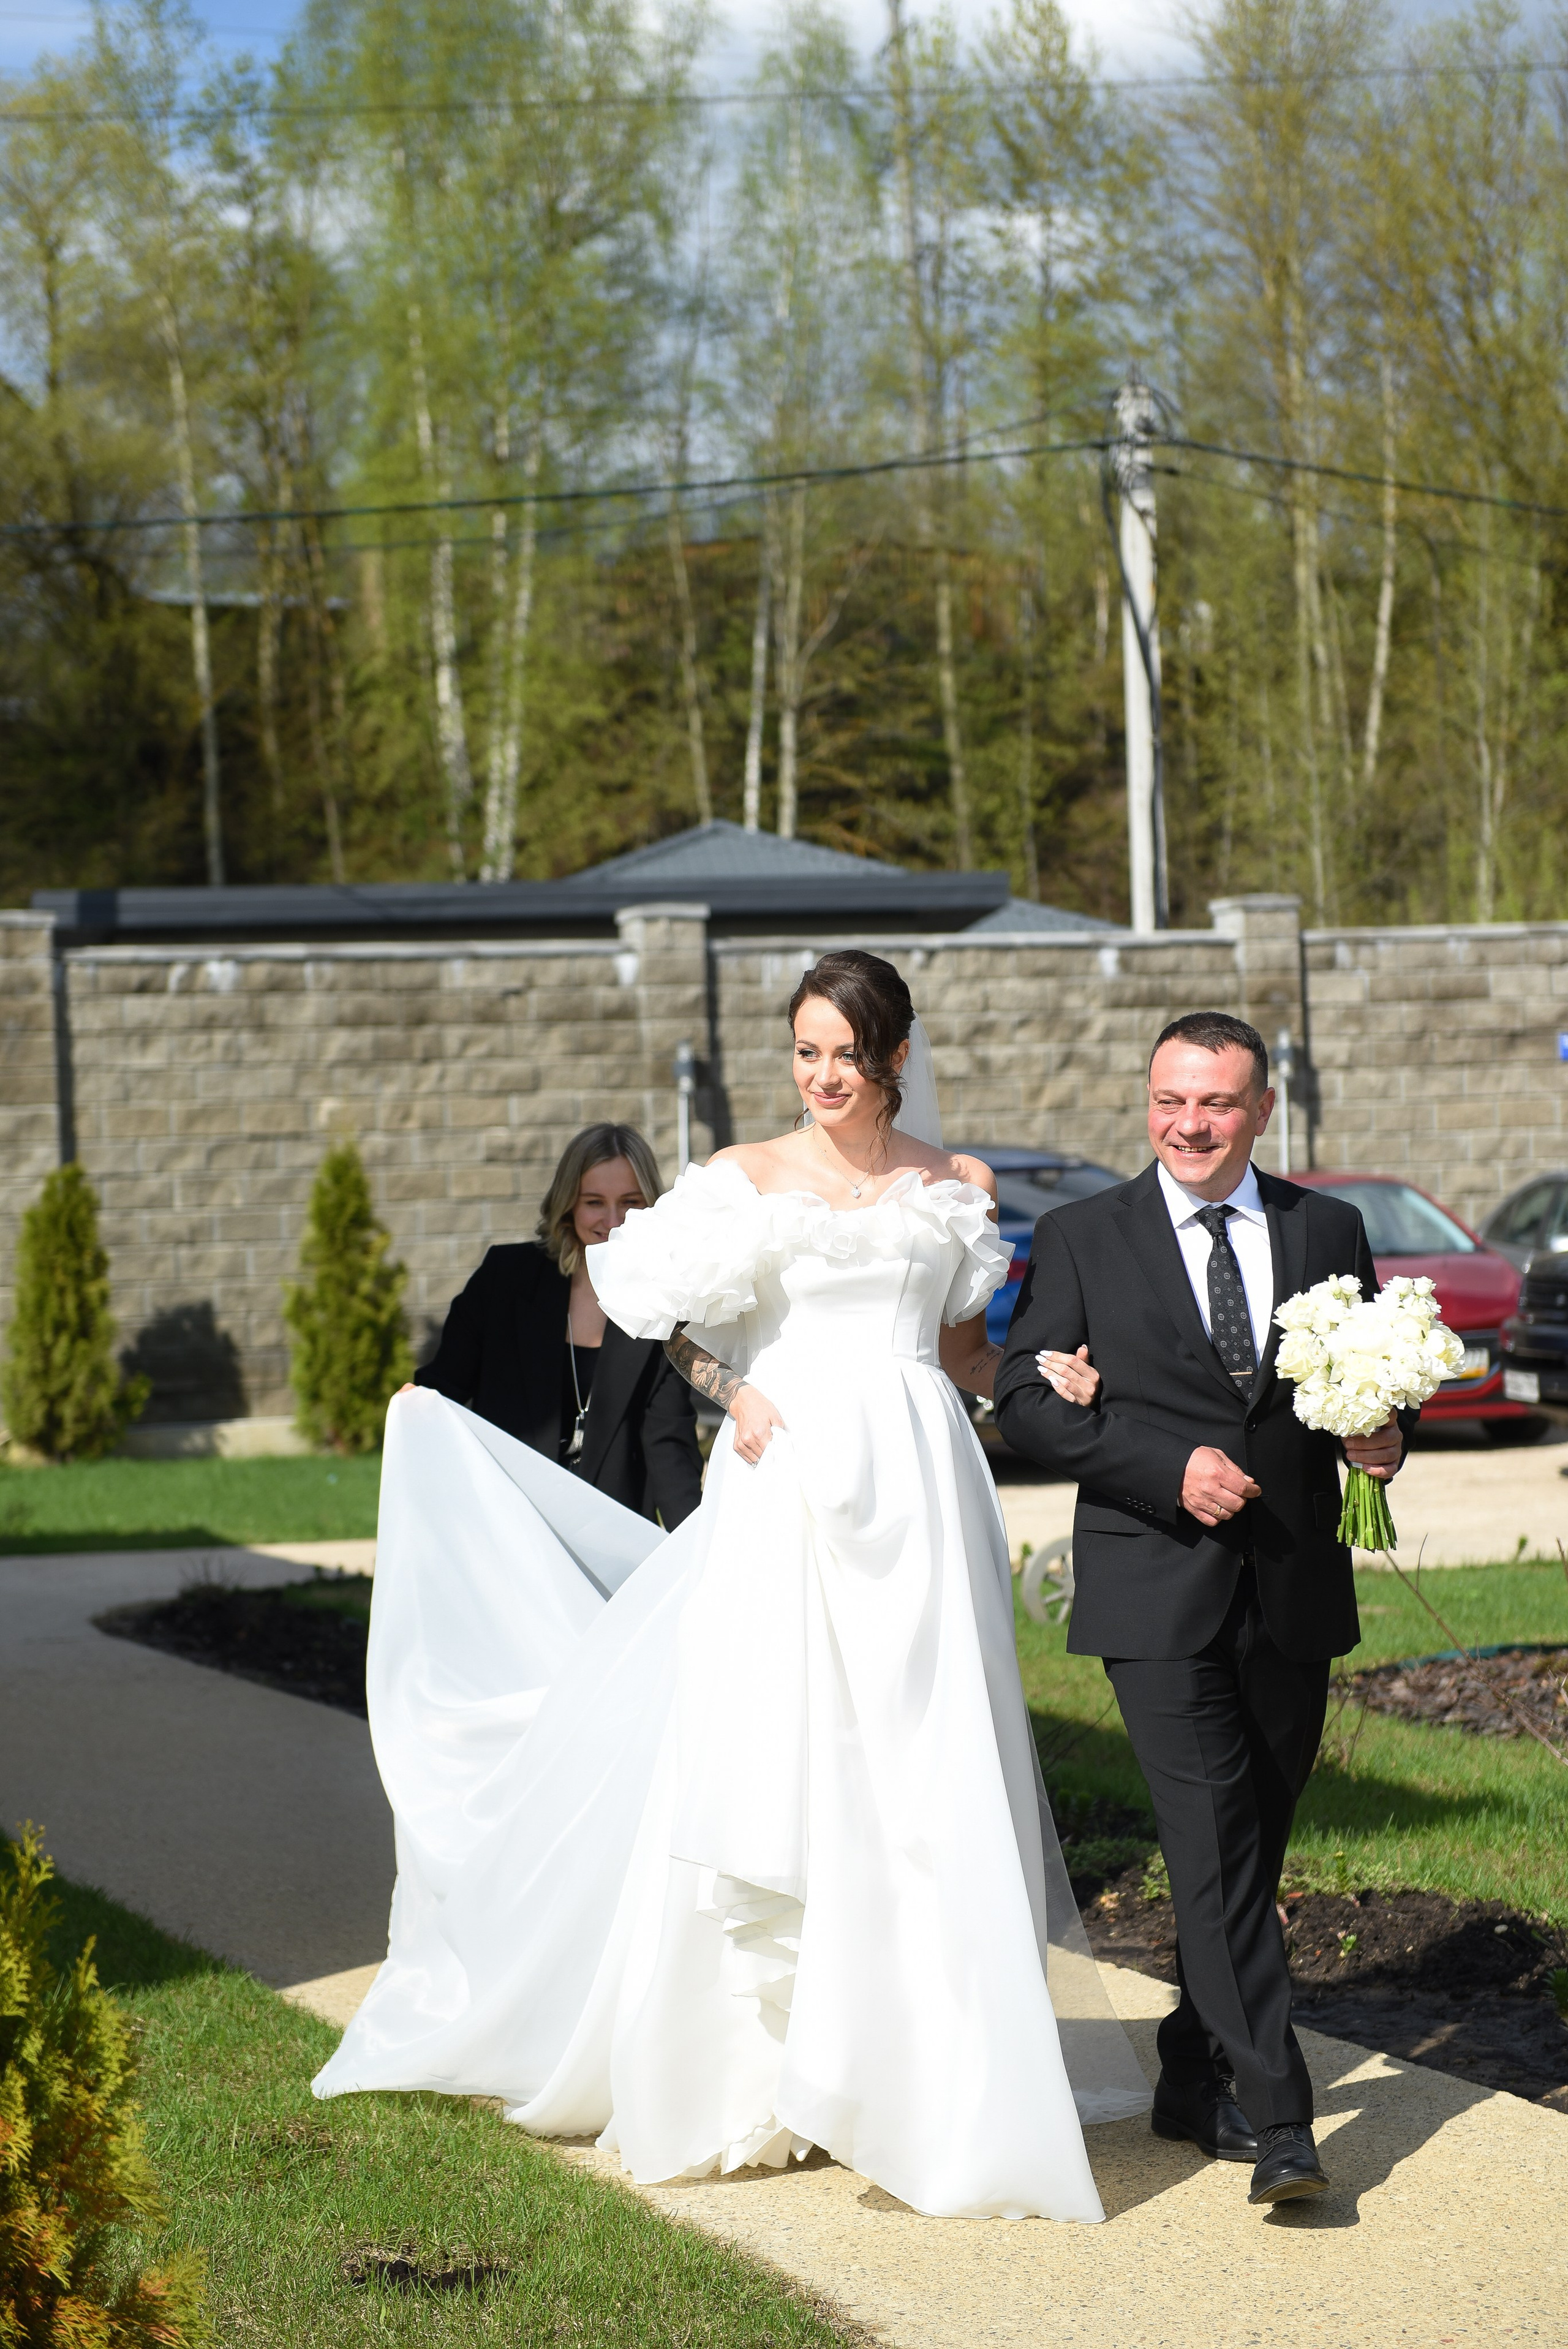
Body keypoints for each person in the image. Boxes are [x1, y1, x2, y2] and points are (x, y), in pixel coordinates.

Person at [314, 949, 1152, 2220]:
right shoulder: (738, 1182)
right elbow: (658, 1316)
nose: (824, 1076)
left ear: (896, 1056)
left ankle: (921, 2071)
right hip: (790, 1485)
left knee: (919, 1769)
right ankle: (765, 2073)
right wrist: (735, 1390)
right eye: (806, 1051)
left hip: (923, 1495)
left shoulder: (954, 1188)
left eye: (847, 1054)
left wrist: (1045, 1382)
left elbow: (966, 1349)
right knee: (782, 1761)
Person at [995, 1010, 1404, 2209]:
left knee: (1241, 1855)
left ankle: (1185, 2072)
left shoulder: (1325, 1227)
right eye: (1170, 1100)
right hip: (1150, 1592)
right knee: (1216, 1847)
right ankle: (1280, 2121)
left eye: (1215, 1103)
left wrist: (1385, 1436)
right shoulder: (1081, 1235)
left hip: (1289, 1589)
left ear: (1258, 1109)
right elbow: (1024, 1399)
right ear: (1145, 1102)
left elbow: (1367, 1377)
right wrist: (1151, 1464)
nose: (1189, 1123)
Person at [414, 1122, 703, 1528]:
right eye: (594, 1202)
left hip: (611, 1532)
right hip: (509, 1520)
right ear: (568, 1203)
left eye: (630, 1202)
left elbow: (668, 1441)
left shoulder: (666, 1303)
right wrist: (412, 1409)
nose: (614, 1220)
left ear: (652, 1206)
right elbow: (442, 1388)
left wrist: (694, 1547)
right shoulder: (505, 1278)